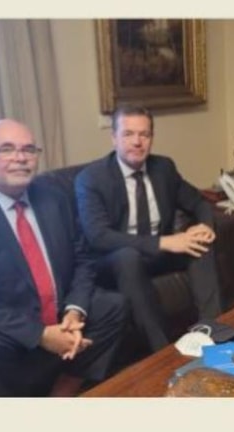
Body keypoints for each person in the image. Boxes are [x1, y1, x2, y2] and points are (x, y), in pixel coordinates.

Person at [0, 119, 125, 396]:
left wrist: (74, 310)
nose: (20, 158)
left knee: (113, 306)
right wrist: (40, 335)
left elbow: (83, 258)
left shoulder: (54, 198)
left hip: (52, 307)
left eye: (28, 149)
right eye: (6, 149)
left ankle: (65, 389)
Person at [75, 105, 222, 353]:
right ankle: (162, 352)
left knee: (199, 242)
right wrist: (165, 242)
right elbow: (99, 237)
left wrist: (205, 227)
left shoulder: (163, 168)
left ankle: (212, 332)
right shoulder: (91, 179)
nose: (137, 142)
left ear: (151, 138)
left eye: (144, 134)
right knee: (128, 257)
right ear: (113, 138)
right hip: (115, 261)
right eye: (128, 134)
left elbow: (198, 202)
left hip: (158, 253)